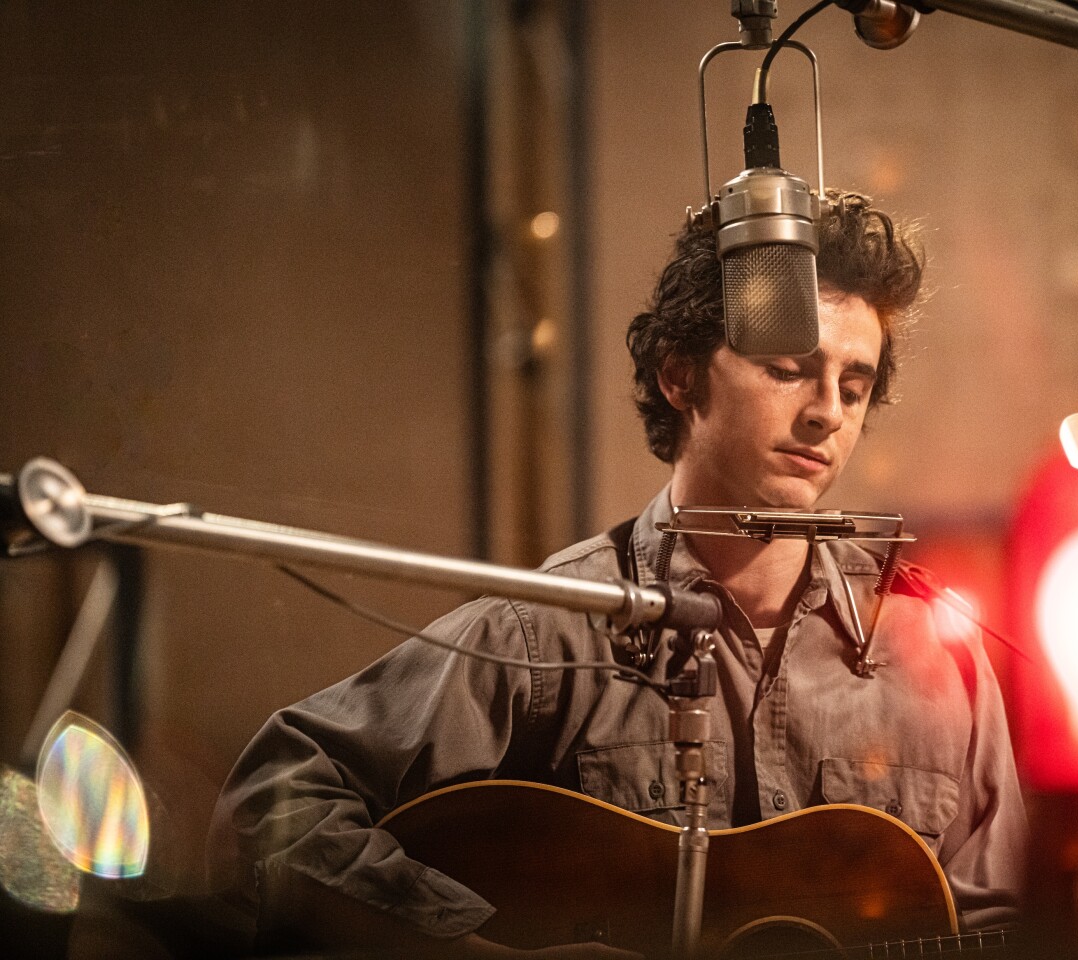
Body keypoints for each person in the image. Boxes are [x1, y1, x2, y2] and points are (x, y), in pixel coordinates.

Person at [207, 190, 1027, 956]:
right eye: (787, 369)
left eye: (854, 386)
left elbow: (1009, 920)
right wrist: (475, 949)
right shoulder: (549, 631)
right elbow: (269, 805)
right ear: (680, 375)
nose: (826, 412)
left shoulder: (937, 651)